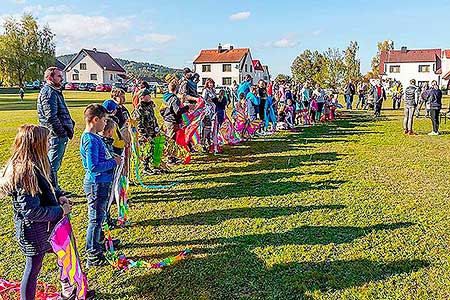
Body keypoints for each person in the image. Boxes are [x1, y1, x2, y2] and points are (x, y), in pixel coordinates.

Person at [0, 125, 94, 300]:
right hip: (33, 231)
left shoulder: (42, 161)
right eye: (47, 140)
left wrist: (60, 197)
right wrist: (60, 211)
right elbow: (30, 211)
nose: (51, 142)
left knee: (64, 254)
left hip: (51, 226)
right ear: (35, 144)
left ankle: (68, 290)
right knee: (33, 267)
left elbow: (51, 187)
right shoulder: (25, 172)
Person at [80, 104, 121, 268]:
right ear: (95, 120)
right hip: (96, 184)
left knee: (101, 217)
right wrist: (113, 162)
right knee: (95, 220)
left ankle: (101, 242)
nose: (106, 124)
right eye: (104, 120)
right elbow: (93, 166)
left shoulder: (95, 137)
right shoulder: (90, 139)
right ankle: (93, 254)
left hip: (102, 183)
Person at [37, 67, 75, 196]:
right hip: (54, 135)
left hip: (58, 134)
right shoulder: (49, 92)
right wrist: (61, 132)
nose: (62, 78)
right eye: (59, 76)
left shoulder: (55, 91)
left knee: (54, 164)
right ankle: (53, 191)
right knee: (51, 165)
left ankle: (54, 189)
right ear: (50, 78)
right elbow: (50, 117)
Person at [131, 88, 160, 175]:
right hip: (145, 135)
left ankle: (152, 166)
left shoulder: (150, 106)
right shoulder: (139, 109)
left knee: (152, 149)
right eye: (148, 95)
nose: (150, 96)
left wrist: (156, 129)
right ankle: (145, 167)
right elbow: (139, 125)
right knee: (145, 150)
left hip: (152, 132)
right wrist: (146, 136)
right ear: (142, 97)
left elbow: (153, 118)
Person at [110, 88, 131, 155]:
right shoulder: (114, 110)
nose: (124, 98)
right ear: (115, 98)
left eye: (124, 96)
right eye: (121, 96)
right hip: (118, 139)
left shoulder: (124, 108)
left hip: (127, 135)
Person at [202, 79, 219, 153]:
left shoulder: (213, 90)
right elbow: (203, 100)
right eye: (210, 83)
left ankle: (210, 142)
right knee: (207, 127)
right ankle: (204, 143)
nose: (211, 84)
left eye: (212, 83)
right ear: (207, 84)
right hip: (207, 110)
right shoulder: (206, 90)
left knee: (213, 128)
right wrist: (210, 100)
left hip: (213, 110)